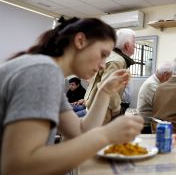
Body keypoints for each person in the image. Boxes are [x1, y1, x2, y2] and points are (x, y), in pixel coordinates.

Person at [0, 17, 143, 174]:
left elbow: (81, 131)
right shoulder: (43, 71)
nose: (103, 64)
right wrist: (106, 135)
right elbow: (19, 166)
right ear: (80, 41)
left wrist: (104, 91)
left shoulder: (47, 71)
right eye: (102, 54)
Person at [84, 28, 136, 124]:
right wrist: (116, 107)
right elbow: (106, 86)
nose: (135, 46)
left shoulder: (111, 56)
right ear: (127, 46)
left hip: (97, 106)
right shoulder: (117, 61)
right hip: (104, 109)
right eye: (134, 43)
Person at [137, 61, 173, 127]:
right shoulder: (151, 85)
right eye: (172, 76)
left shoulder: (157, 83)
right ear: (165, 75)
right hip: (146, 125)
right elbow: (162, 105)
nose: (172, 79)